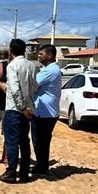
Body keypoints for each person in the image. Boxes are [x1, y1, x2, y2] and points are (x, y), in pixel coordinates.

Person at [0, 39, 38, 184]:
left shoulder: (12, 65)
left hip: (15, 109)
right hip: (28, 108)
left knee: (12, 141)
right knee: (24, 141)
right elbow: (35, 87)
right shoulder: (32, 66)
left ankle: (11, 172)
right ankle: (25, 172)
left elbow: (14, 89)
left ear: (10, 51)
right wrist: (29, 107)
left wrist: (21, 107)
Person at [31, 44, 62, 176]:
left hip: (45, 112)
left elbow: (33, 84)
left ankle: (42, 168)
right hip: (46, 111)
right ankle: (41, 165)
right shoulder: (50, 69)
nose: (39, 56)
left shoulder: (50, 71)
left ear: (50, 55)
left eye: (41, 54)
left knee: (40, 141)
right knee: (41, 141)